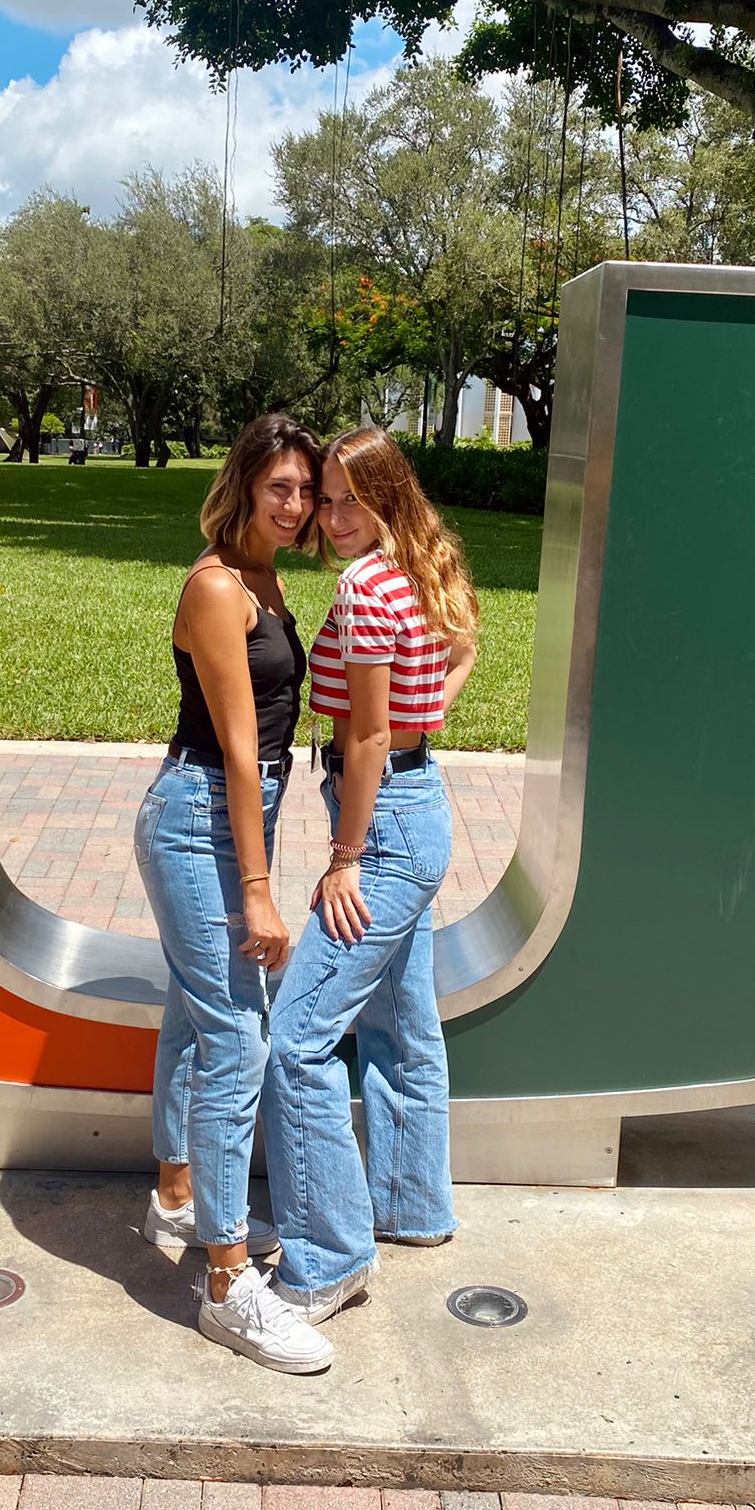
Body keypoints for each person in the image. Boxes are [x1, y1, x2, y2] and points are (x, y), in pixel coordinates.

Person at [261, 425, 480, 1329]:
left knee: (298, 1041)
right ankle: (411, 1208)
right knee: (400, 1024)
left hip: (384, 828)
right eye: (329, 499)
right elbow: (464, 651)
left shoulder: (363, 588)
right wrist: (424, 729)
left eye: (355, 500)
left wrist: (345, 858)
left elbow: (364, 739)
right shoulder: (422, 573)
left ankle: (329, 1258)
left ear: (388, 498)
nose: (337, 518)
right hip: (417, 805)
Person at [133, 414, 335, 1373]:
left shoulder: (265, 579)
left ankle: (177, 1190)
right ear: (245, 486)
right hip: (199, 819)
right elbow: (242, 752)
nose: (296, 507)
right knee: (239, 1036)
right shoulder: (216, 588)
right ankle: (225, 1284)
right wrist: (259, 889)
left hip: (222, 816)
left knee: (196, 1009)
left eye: (306, 491)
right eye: (280, 490)